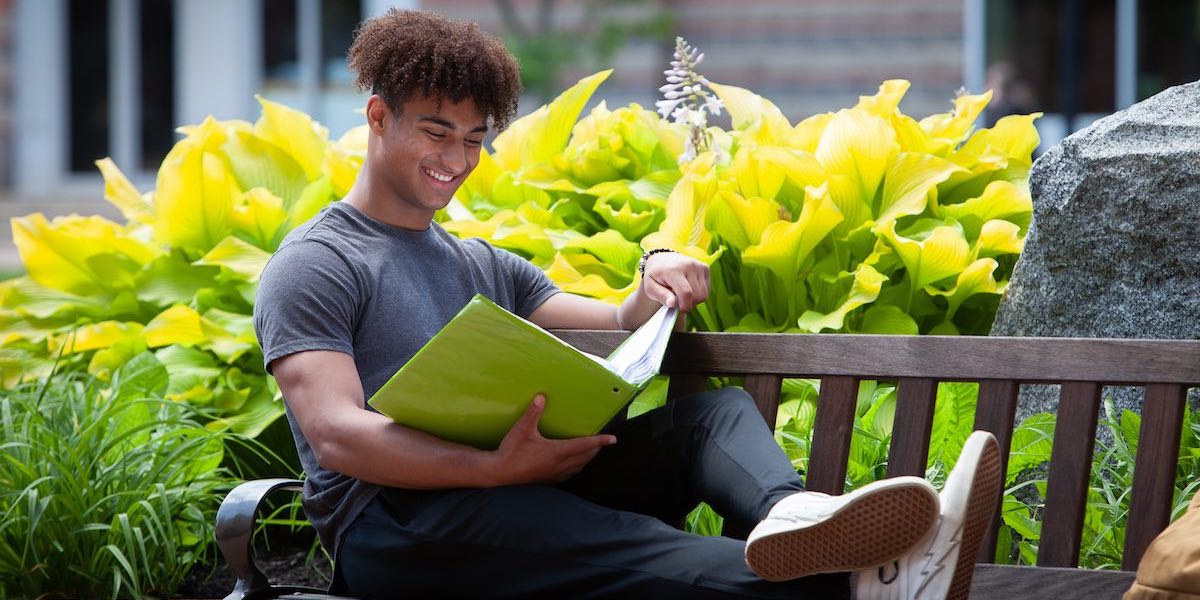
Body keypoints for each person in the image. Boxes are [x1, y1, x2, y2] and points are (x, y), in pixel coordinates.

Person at [253, 9, 1002, 600]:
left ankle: (791, 517)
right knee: (651, 555)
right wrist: (490, 471)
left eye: (475, 140)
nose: (456, 159)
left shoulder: (477, 262)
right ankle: (883, 580)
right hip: (400, 526)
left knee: (710, 420)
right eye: (436, 131)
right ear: (379, 117)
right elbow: (339, 435)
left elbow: (612, 321)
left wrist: (653, 278)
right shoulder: (318, 262)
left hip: (513, 482)